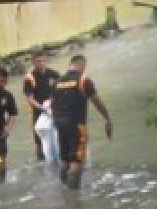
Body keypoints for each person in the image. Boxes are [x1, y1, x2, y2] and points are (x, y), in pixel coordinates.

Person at [51, 54, 113, 190]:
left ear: (70, 65)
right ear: (83, 65)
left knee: (65, 159)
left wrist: (57, 120)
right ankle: (73, 200)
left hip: (60, 124)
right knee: (76, 160)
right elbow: (96, 101)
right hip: (76, 125)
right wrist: (107, 117)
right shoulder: (84, 80)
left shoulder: (57, 82)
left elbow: (52, 104)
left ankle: (63, 193)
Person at [22, 51, 60, 162]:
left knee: (58, 137)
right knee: (39, 141)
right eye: (38, 61)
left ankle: (57, 160)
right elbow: (30, 98)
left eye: (43, 60)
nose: (41, 63)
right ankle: (41, 161)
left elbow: (61, 90)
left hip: (54, 110)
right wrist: (42, 108)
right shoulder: (30, 78)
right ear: (33, 62)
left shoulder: (54, 74)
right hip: (39, 113)